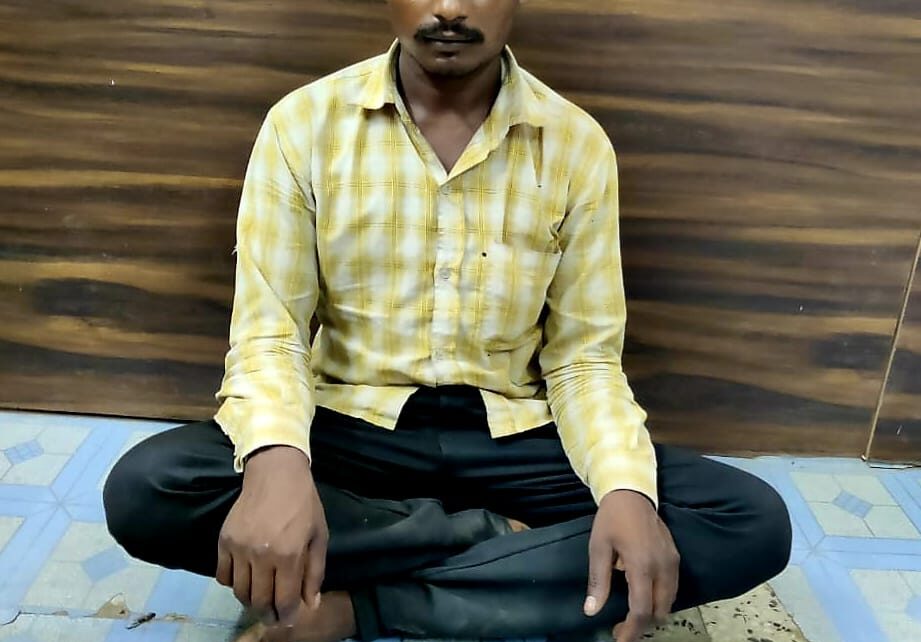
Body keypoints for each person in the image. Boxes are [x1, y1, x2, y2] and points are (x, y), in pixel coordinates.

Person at [103, 2, 792, 641]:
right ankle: (490, 543)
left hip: (515, 438)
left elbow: (583, 358)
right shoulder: (303, 124)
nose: (451, 8)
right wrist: (277, 463)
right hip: (352, 431)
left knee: (746, 522)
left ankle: (360, 607)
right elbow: (270, 331)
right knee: (152, 489)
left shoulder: (575, 144)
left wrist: (623, 491)